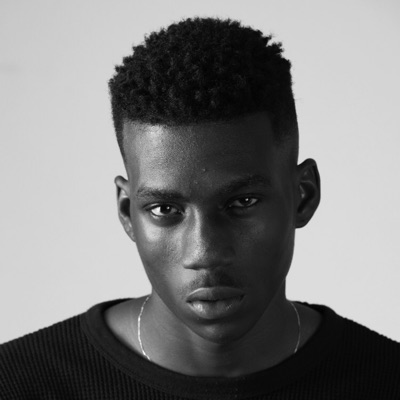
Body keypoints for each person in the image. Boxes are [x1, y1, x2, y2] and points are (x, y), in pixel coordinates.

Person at [1, 17, 399, 399]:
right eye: (164, 209)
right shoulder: (17, 383)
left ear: (303, 195)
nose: (204, 252)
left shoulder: (385, 379)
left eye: (241, 202)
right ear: (126, 212)